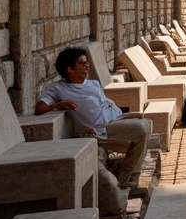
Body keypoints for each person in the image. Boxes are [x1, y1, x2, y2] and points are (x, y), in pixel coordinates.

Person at [35, 47, 152, 200]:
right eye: (83, 64)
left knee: (147, 123)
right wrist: (58, 105)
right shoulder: (59, 89)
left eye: (87, 62)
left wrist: (123, 116)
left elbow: (105, 105)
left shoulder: (93, 84)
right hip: (97, 131)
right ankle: (127, 178)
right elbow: (39, 108)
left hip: (114, 120)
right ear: (70, 69)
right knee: (141, 128)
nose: (87, 66)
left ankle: (130, 174)